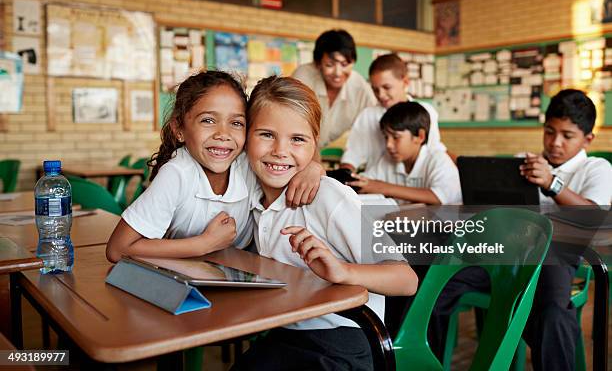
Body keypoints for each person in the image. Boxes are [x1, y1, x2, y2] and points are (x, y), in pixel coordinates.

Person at [231, 76, 417, 371]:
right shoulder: (248, 190)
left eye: (297, 139)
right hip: (284, 332)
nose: (280, 150)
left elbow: (406, 280)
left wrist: (343, 271)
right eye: (266, 134)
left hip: (344, 341)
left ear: (314, 143)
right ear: (246, 136)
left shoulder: (327, 197)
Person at [428, 89, 612, 371]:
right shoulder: (521, 164)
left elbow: (590, 215)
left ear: (588, 139)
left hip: (554, 259)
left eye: (567, 135)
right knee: (435, 287)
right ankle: (429, 363)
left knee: (552, 316)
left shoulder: (596, 168)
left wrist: (552, 183)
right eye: (549, 132)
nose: (555, 143)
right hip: (503, 255)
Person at [106, 71, 323, 263]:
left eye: (236, 123)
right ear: (179, 129)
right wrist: (203, 244)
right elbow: (117, 249)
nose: (223, 134)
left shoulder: (246, 163)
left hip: (242, 277)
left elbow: (288, 155)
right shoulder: (177, 174)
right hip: (180, 282)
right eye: (208, 120)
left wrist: (314, 167)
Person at [341, 53, 447, 172]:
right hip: (376, 182)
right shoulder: (367, 116)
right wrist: (344, 177)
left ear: (405, 82)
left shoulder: (426, 112)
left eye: (387, 87)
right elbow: (352, 155)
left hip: (416, 184)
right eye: (375, 89)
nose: (380, 95)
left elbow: (434, 149)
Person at [348, 101, 461, 205]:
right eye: (386, 137)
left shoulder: (437, 159)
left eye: (396, 137)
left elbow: (440, 197)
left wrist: (383, 187)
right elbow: (368, 182)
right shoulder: (387, 161)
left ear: (419, 136)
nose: (388, 144)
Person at [292, 29, 377, 149]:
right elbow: (290, 123)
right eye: (329, 65)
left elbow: (373, 124)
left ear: (353, 62)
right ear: (318, 64)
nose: (338, 73)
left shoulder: (360, 88)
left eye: (344, 64)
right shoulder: (303, 77)